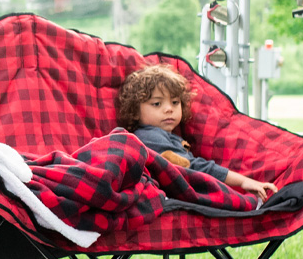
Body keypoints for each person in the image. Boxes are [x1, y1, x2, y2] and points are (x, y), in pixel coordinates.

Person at [115, 64, 276, 197]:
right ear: (135, 111)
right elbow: (193, 166)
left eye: (175, 102)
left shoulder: (167, 136)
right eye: (157, 104)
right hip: (167, 197)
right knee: (237, 201)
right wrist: (242, 182)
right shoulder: (147, 136)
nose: (169, 109)